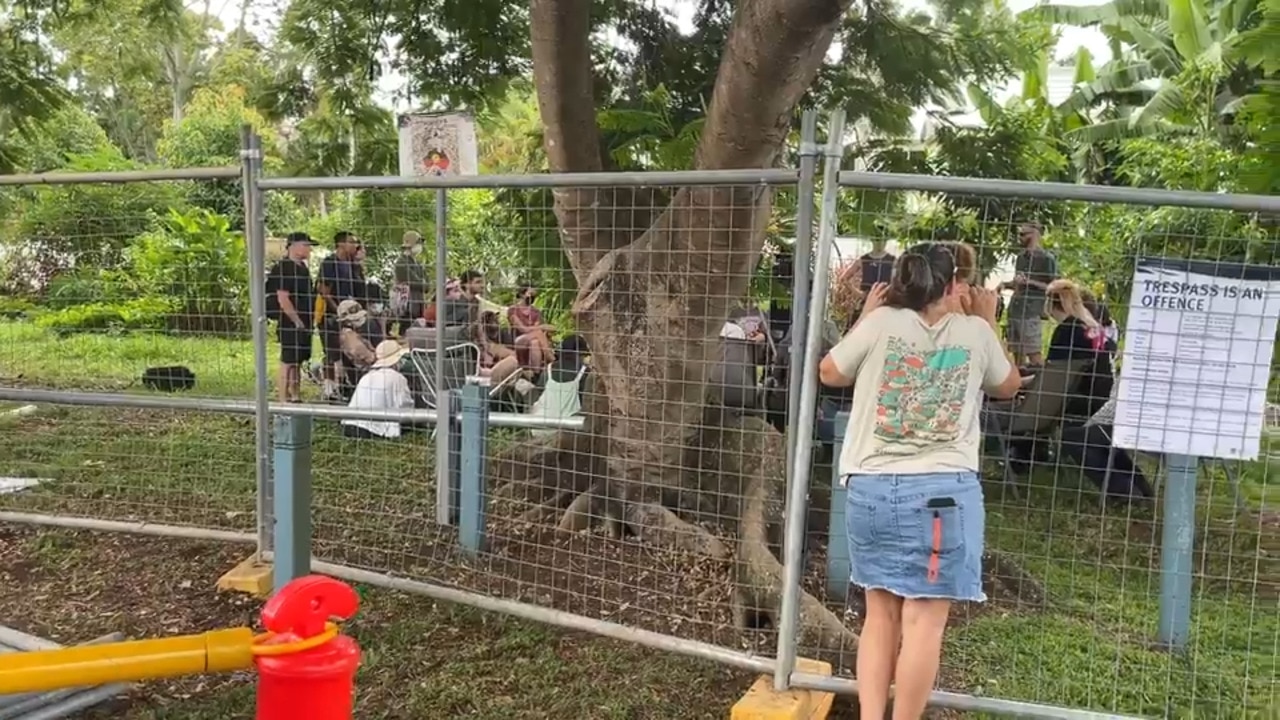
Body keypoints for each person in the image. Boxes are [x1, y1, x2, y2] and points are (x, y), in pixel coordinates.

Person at [817, 243, 1022, 720]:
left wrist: (866, 315)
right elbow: (1009, 386)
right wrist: (988, 321)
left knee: (879, 615)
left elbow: (830, 372)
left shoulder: (881, 322)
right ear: (953, 286)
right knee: (924, 622)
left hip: (869, 487)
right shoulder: (974, 333)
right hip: (940, 497)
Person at [1045, 279, 1113, 419]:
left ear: (1050, 303)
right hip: (1099, 398)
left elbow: (1051, 376)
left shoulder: (1066, 330)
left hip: (1076, 399)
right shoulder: (1092, 327)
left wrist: (1020, 381)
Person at [265, 232, 316, 403]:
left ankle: (295, 395)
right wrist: (296, 320)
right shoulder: (283, 268)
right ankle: (282, 397)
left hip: (305, 321)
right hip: (290, 321)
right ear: (293, 246)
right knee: (287, 360)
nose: (309, 249)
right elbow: (283, 298)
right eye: (306, 245)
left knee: (298, 360)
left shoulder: (303, 267)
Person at [1001, 222, 1058, 367]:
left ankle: (1040, 385)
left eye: (1023, 234)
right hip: (1015, 311)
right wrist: (1006, 285)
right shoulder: (1020, 258)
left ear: (1035, 234)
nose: (1019, 237)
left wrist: (1030, 282)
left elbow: (1053, 287)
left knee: (1035, 357)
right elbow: (1019, 284)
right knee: (1017, 357)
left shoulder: (1047, 259)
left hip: (1031, 313)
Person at [316, 231, 365, 401]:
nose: (355, 245)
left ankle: (346, 385)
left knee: (350, 351)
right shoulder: (330, 263)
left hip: (351, 315)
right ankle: (329, 388)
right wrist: (338, 311)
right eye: (352, 242)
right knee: (331, 351)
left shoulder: (353, 265)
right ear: (341, 244)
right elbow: (324, 291)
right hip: (331, 315)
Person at [340, 340, 414, 440]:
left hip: (350, 425)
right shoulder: (398, 378)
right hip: (374, 430)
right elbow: (405, 406)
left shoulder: (367, 376)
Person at [507, 282, 556, 371]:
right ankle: (551, 357)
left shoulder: (536, 312)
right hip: (518, 341)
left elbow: (536, 329)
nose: (532, 297)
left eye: (534, 295)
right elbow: (523, 329)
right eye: (530, 294)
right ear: (522, 294)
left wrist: (540, 327)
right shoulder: (513, 310)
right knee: (538, 333)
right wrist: (543, 326)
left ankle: (535, 373)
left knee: (535, 342)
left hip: (532, 339)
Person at [392, 231, 429, 336]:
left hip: (419, 306)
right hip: (407, 307)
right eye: (418, 243)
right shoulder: (401, 263)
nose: (420, 246)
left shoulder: (417, 263)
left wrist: (422, 283)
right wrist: (422, 282)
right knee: (406, 335)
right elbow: (416, 283)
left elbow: (427, 286)